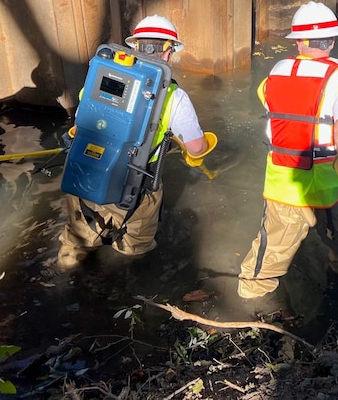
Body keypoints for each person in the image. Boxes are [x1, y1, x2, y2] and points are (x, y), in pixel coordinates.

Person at [237, 1, 338, 308]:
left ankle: (247, 319)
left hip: (284, 184)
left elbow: (270, 105)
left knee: (266, 259)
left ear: (298, 41)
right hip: (334, 186)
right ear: (333, 40)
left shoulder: (275, 73)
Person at [56, 15, 217, 269]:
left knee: (76, 242)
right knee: (134, 250)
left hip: (84, 175)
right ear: (169, 51)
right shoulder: (174, 96)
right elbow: (196, 147)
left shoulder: (98, 76)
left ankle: (65, 278)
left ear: (134, 46)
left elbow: (83, 121)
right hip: (134, 188)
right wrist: (199, 151)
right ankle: (128, 295)